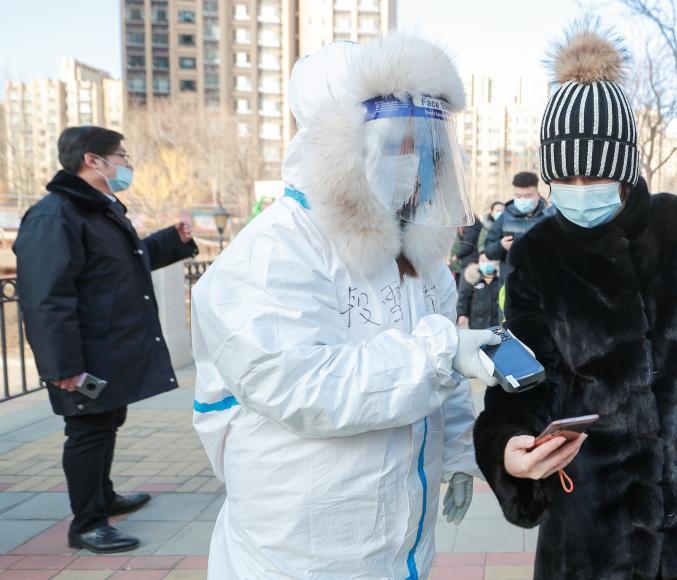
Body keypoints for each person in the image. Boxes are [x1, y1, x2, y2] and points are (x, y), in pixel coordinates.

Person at [473, 24, 677, 579]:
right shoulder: (537, 252)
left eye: (593, 172)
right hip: (588, 520)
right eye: (562, 174)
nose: (578, 186)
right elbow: (519, 373)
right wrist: (508, 446)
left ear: (625, 167)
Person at [191, 35, 500, 578]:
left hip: (399, 539)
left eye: (425, 145)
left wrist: (455, 452)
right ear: (339, 143)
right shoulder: (272, 253)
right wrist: (440, 353)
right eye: (398, 144)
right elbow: (301, 384)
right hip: (299, 549)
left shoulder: (415, 254)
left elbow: (443, 373)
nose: (416, 163)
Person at [14, 126, 199, 553]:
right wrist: (63, 367)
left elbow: (124, 264)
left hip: (107, 347)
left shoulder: (98, 211)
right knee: (87, 431)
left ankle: (103, 497)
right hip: (83, 354)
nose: (127, 164)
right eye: (121, 155)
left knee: (106, 420)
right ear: (92, 161)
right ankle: (87, 524)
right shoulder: (55, 215)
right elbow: (46, 299)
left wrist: (173, 241)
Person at [484, 171, 547, 283]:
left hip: (542, 284)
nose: (522, 200)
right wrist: (501, 245)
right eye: (518, 196)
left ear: (538, 195)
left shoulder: (548, 217)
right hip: (511, 284)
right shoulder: (504, 217)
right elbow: (488, 250)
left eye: (527, 196)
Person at [457, 254, 502, 330]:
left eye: (489, 260)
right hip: (477, 323)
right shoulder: (473, 279)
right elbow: (464, 297)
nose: (486, 263)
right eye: (483, 261)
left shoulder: (500, 279)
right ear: (478, 263)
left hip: (497, 323)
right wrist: (462, 314)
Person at [449, 215, 483, 283]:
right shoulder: (474, 227)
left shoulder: (471, 229)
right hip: (472, 259)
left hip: (469, 261)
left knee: (465, 285)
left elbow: (467, 246)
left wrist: (456, 256)